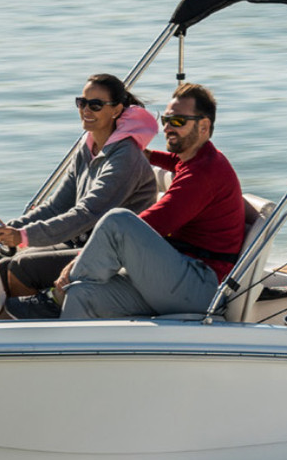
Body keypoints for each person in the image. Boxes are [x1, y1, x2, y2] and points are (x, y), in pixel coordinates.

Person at [52, 83, 247, 319]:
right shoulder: (199, 159)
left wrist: (76, 263)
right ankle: (63, 334)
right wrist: (148, 155)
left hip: (199, 287)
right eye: (166, 119)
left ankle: (58, 291)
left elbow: (152, 223)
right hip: (174, 277)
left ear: (204, 126)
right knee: (81, 294)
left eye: (177, 121)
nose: (167, 127)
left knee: (118, 222)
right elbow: (176, 162)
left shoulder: (203, 174)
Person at [0, 73, 158, 318]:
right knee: (2, 265)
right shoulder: (87, 146)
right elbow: (56, 206)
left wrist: (24, 236)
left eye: (96, 105)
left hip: (113, 253)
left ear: (116, 110)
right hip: (82, 242)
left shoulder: (125, 157)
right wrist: (7, 229)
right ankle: (0, 326)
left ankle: (35, 330)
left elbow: (87, 213)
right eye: (82, 103)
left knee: (23, 268)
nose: (86, 110)